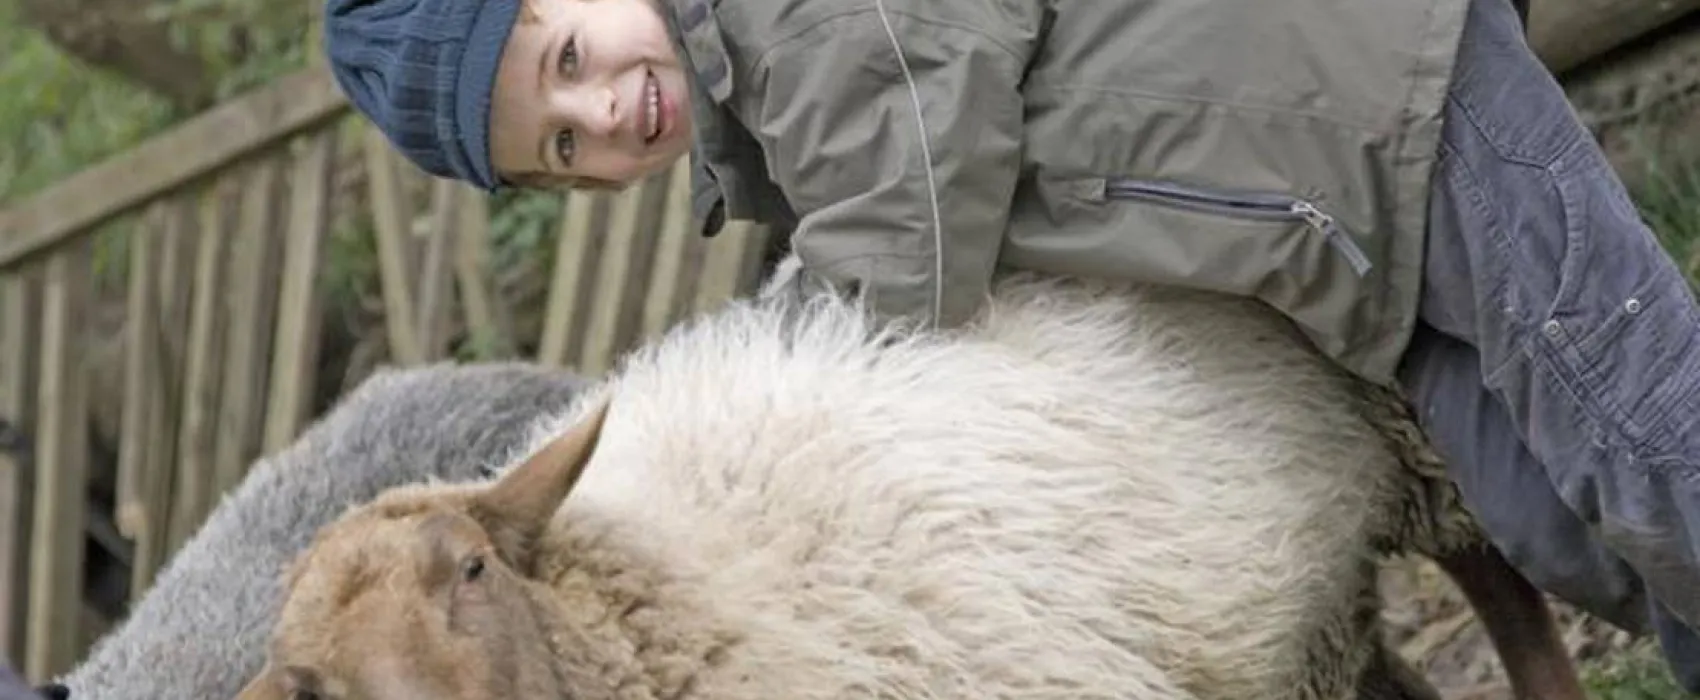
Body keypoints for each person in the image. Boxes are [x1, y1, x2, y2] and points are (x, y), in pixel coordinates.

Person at [321, 0, 1700, 685]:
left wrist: (778, 358)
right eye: (560, 146)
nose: (607, 114)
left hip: (1377, 95)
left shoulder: (790, 18)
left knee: (1654, 457)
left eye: (567, 56)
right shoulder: (774, 132)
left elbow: (920, 175)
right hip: (1335, 237)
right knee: (1569, 515)